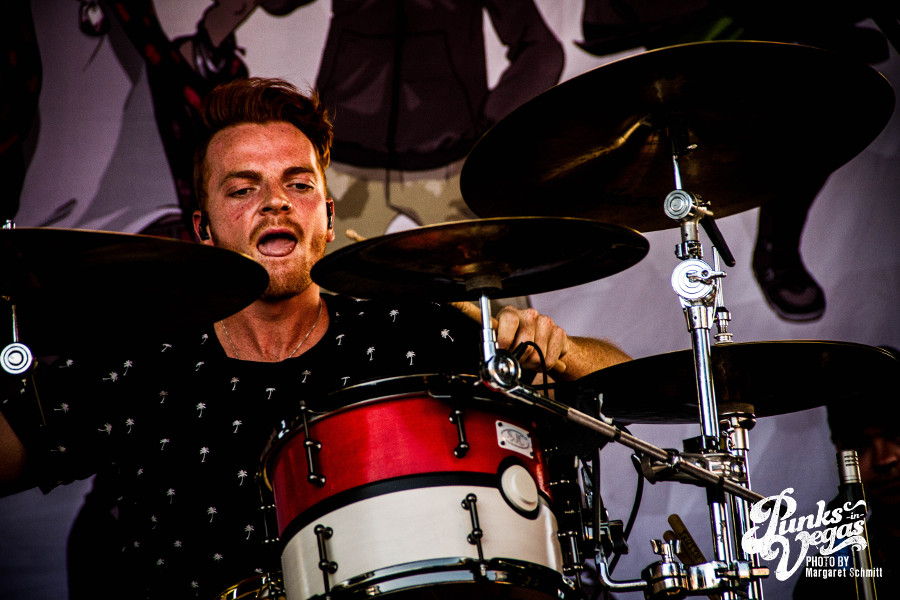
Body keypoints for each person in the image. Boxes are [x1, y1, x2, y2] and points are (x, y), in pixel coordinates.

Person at [0, 77, 630, 599]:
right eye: (242, 188)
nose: (275, 203)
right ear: (203, 228)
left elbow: (623, 384)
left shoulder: (407, 329)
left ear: (328, 219)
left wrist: (560, 353)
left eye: (298, 184)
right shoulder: (140, 363)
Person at [793, 346, 900, 598]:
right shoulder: (828, 580)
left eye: (895, 434)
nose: (884, 459)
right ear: (839, 450)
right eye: (860, 445)